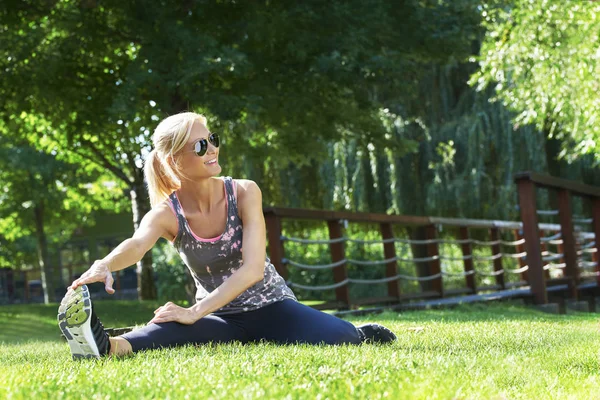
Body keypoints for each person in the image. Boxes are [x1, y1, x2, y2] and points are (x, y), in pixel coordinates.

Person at [57, 112, 396, 359]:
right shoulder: (167, 213)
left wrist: (194, 310)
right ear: (175, 160)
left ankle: (359, 331)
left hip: (271, 306)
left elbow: (253, 270)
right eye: (201, 145)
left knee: (340, 338)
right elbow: (136, 244)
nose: (212, 150)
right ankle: (103, 345)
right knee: (160, 334)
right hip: (218, 316)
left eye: (213, 140)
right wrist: (105, 264)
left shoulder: (245, 192)